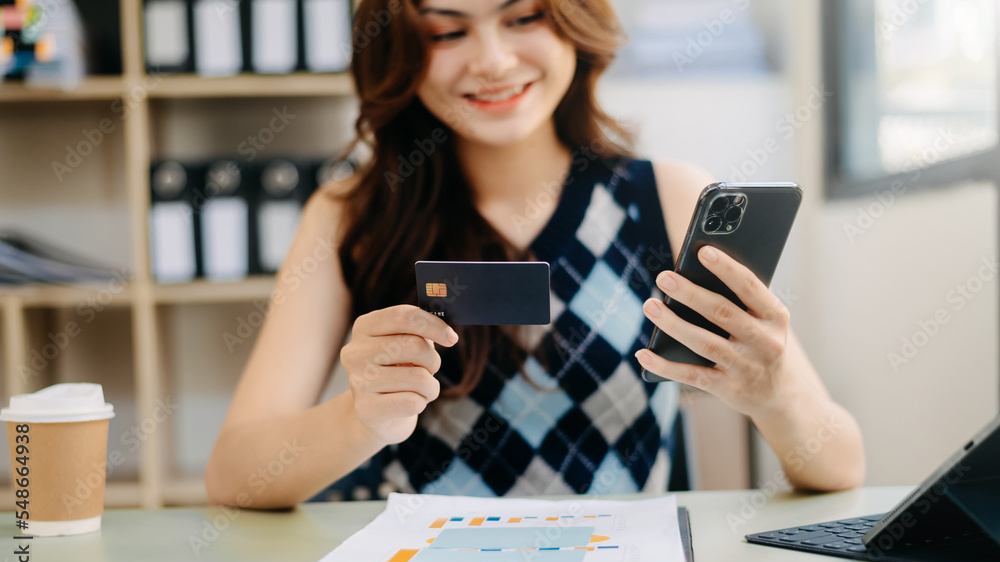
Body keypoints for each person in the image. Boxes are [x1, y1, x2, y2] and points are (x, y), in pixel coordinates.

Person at [205, 0, 864, 509]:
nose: (492, 60)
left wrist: (776, 397)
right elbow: (233, 474)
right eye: (446, 31)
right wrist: (358, 416)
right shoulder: (350, 214)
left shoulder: (668, 197)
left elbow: (841, 465)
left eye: (523, 17)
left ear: (574, 22)